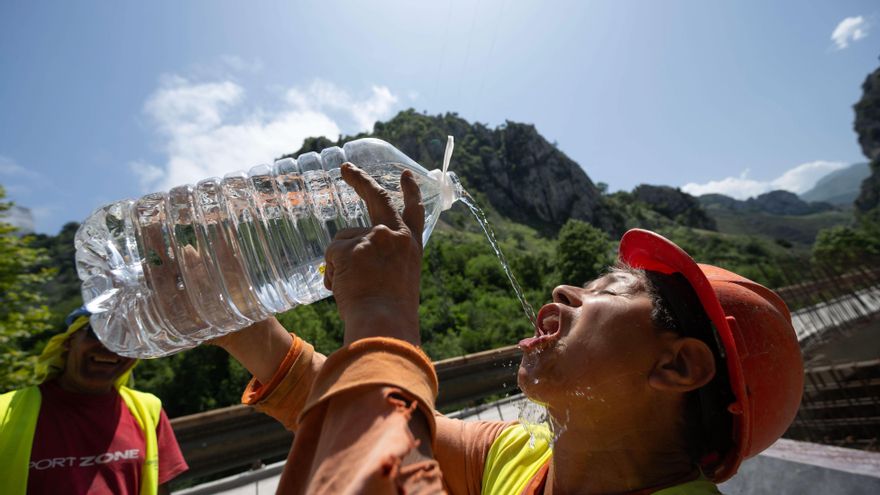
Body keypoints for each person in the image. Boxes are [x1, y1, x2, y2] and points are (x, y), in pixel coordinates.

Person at [215, 163, 804, 494]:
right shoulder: (521, 459)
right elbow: (371, 426)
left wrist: (380, 317)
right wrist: (236, 317)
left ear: (678, 366)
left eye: (610, 289)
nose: (564, 291)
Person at [0, 307, 189, 494]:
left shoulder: (148, 410)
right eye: (97, 332)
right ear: (69, 341)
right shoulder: (5, 412)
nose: (111, 346)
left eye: (127, 338)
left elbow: (159, 488)